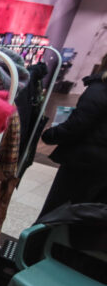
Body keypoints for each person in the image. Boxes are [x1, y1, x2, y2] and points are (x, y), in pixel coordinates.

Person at [38, 53, 107, 216]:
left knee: (58, 209)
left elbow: (77, 125)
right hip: (99, 165)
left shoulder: (100, 89)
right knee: (86, 213)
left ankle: (40, 241)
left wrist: (49, 135)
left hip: (84, 162)